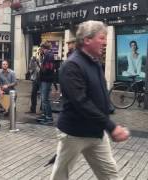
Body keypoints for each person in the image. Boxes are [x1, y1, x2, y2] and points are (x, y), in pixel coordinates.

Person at [50, 20, 129, 180]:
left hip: (96, 132)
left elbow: (99, 90)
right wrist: (111, 127)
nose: (105, 42)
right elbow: (81, 102)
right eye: (102, 38)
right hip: (74, 134)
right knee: (60, 175)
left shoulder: (94, 62)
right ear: (87, 40)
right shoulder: (72, 65)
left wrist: (108, 109)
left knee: (110, 174)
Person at [37, 42, 55, 124]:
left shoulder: (49, 55)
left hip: (46, 80)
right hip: (44, 79)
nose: (39, 50)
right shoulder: (46, 55)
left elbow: (48, 69)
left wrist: (39, 64)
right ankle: (44, 115)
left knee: (45, 99)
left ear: (43, 48)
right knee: (43, 99)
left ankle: (49, 117)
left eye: (40, 48)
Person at [26, 47, 42, 114]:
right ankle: (33, 109)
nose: (39, 52)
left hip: (42, 79)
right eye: (38, 51)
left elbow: (42, 68)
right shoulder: (34, 58)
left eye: (40, 50)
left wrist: (38, 62)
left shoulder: (44, 58)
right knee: (33, 94)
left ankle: (42, 110)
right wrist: (32, 60)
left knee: (42, 95)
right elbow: (30, 68)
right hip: (35, 78)